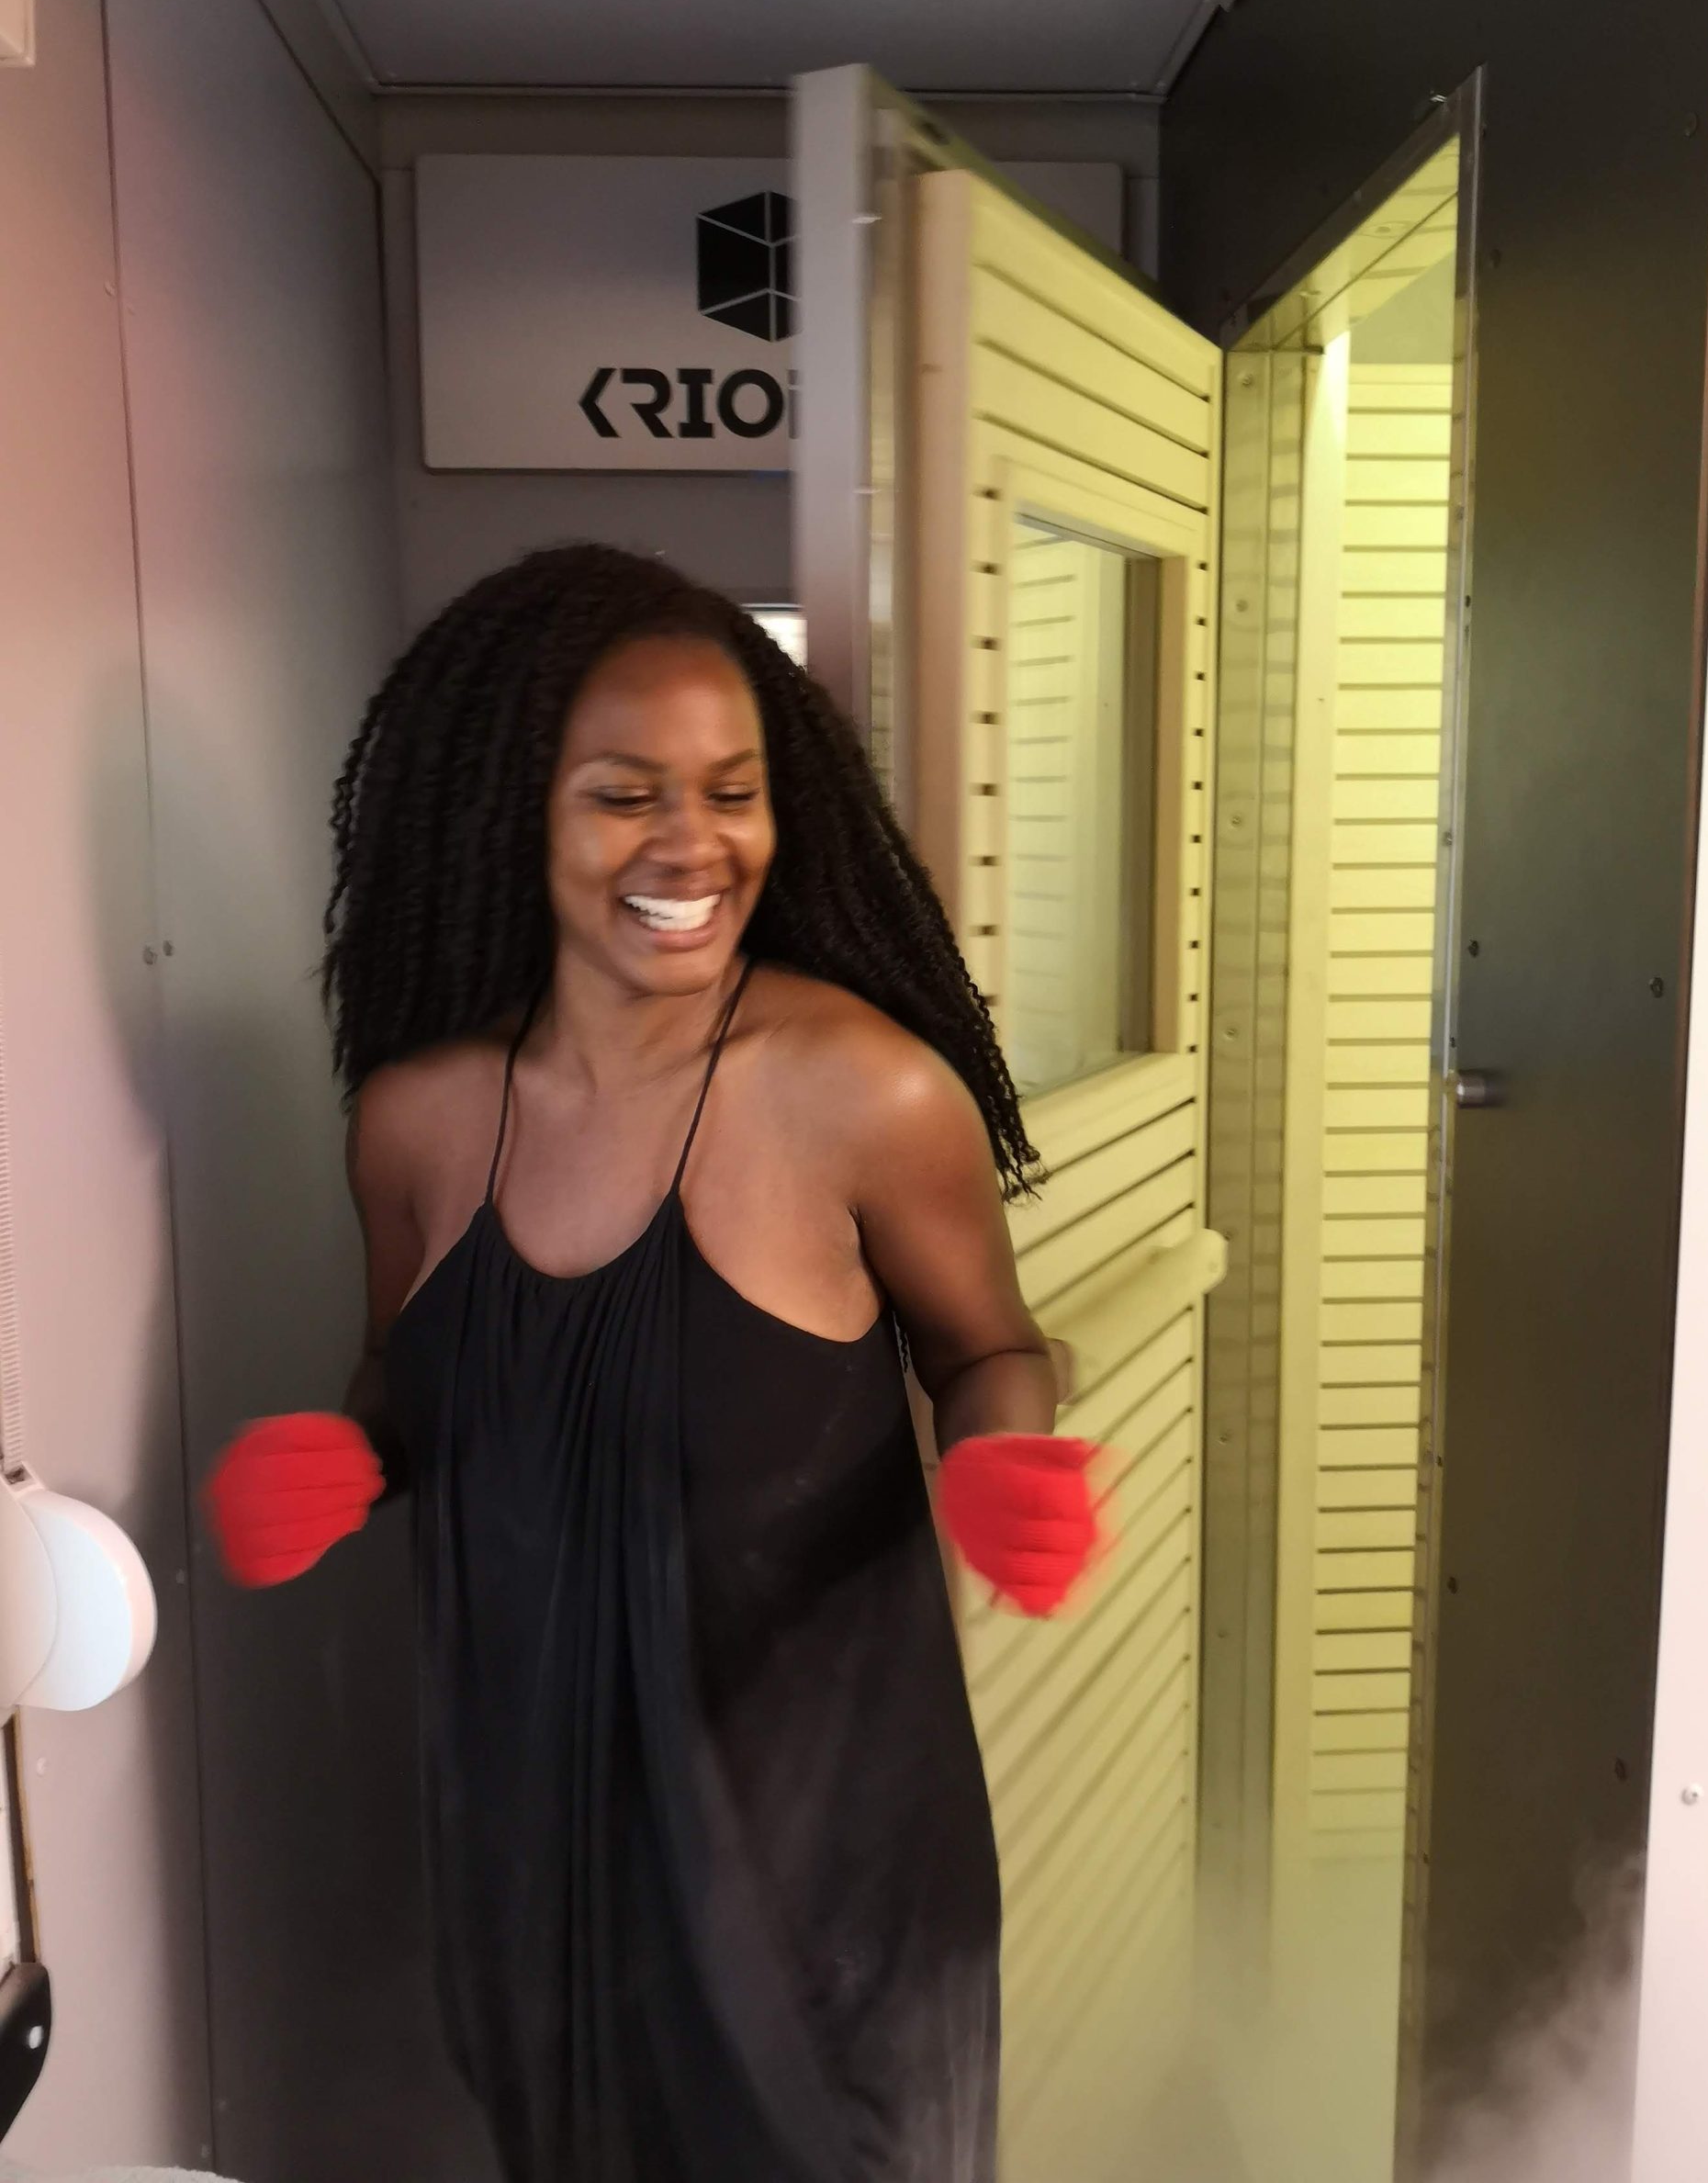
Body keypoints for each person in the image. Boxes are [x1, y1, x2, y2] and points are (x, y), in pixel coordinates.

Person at [202, 546, 1101, 2183]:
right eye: (626, 795)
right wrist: (347, 1458)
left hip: (826, 1914)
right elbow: (410, 1379)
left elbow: (988, 1345)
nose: (693, 843)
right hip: (533, 1891)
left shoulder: (865, 1094)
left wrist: (1001, 1455)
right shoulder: (414, 1125)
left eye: (732, 792)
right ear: (514, 817)